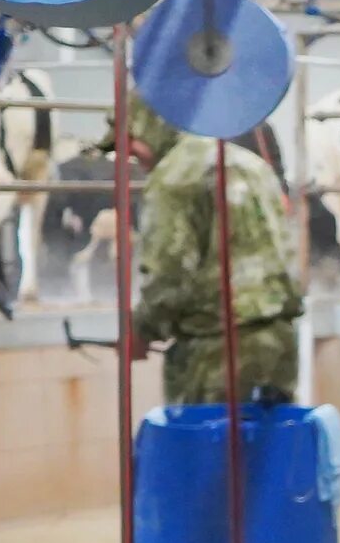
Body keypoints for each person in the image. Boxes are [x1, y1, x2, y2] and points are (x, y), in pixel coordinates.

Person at [129, 102, 304, 406]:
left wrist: (142, 331)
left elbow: (169, 274)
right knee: (268, 434)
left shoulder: (175, 176)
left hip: (216, 348)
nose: (131, 154)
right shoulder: (252, 164)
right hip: (279, 341)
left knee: (210, 435)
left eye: (131, 141)